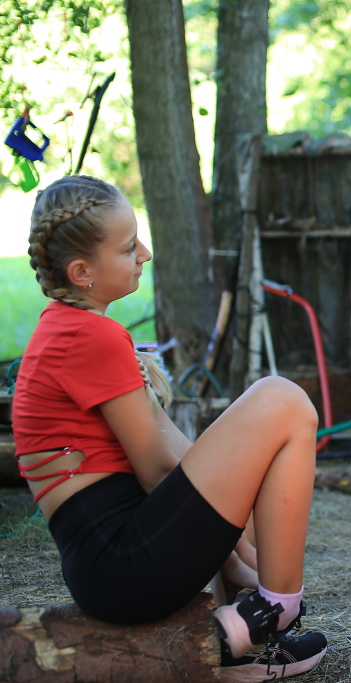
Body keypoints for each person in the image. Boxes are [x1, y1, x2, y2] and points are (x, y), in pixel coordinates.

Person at [12, 175, 328, 681]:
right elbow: (159, 470)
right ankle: (273, 611)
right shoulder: (89, 336)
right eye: (127, 246)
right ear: (82, 271)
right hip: (121, 566)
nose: (145, 252)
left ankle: (244, 637)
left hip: (116, 563)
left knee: (255, 475)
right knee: (283, 399)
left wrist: (241, 551)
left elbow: (178, 453)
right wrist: (240, 555)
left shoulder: (73, 328)